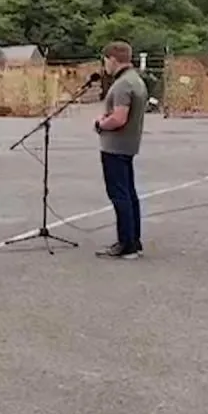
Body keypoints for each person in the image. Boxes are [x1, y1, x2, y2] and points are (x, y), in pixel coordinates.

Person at [95, 41, 148, 260]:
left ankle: (126, 243)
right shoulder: (136, 81)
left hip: (115, 146)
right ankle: (134, 239)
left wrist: (100, 123)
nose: (105, 65)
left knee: (119, 195)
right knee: (129, 194)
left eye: (105, 60)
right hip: (128, 145)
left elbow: (118, 118)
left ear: (112, 59)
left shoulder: (122, 85)